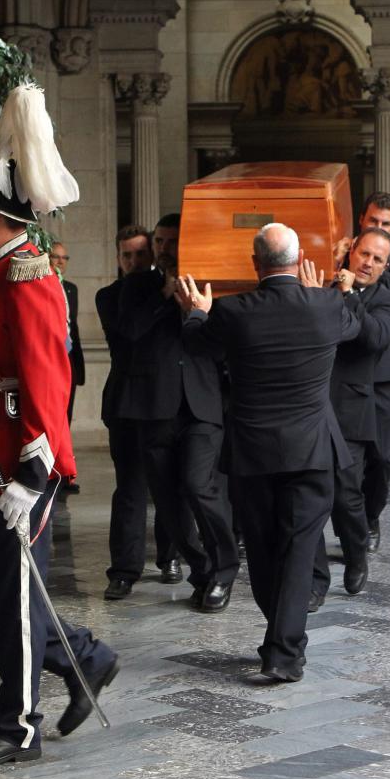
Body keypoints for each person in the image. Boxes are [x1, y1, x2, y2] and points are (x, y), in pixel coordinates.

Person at [0, 83, 118, 768]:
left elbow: (46, 377)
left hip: (15, 463)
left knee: (13, 595)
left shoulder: (26, 278)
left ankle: (17, 724)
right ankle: (83, 655)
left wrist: (34, 469)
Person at [177, 223, 364, 682]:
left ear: (255, 264)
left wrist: (196, 312)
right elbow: (354, 326)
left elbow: (197, 346)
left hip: (253, 454)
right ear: (300, 259)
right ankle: (283, 647)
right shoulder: (325, 305)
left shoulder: (233, 311)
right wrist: (322, 293)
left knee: (261, 549)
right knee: (301, 548)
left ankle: (282, 646)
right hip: (312, 451)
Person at [117, 213, 239, 612]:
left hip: (202, 407)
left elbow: (224, 346)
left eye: (173, 241)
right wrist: (163, 298)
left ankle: (224, 570)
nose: (166, 249)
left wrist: (198, 312)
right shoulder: (137, 287)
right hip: (155, 408)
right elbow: (127, 335)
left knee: (198, 485)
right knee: (168, 505)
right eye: (161, 242)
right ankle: (203, 571)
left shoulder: (211, 286)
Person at [308, 228, 390, 610]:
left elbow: (374, 338)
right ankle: (315, 578)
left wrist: (348, 295)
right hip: (312, 403)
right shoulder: (324, 286)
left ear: (385, 267)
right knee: (311, 496)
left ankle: (356, 555)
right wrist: (333, 287)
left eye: (377, 259)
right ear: (351, 252)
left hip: (351, 406)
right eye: (364, 253)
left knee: (347, 495)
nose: (368, 262)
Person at [97, 225, 177, 599]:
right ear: (118, 258)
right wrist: (162, 296)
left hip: (163, 401)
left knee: (166, 486)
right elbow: (130, 333)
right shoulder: (109, 296)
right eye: (126, 255)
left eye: (140, 254)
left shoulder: (174, 291)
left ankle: (169, 557)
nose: (133, 261)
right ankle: (124, 571)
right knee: (129, 488)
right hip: (126, 402)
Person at [338, 192, 390, 553]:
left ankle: (371, 516)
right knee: (348, 459)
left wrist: (359, 267)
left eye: (386, 225)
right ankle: (353, 527)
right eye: (374, 223)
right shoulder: (345, 253)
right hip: (348, 370)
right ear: (362, 221)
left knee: (384, 456)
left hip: (386, 366)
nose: (380, 228)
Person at [49, 241, 84, 493]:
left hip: (70, 356)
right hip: (51, 359)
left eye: (64, 257)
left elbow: (75, 328)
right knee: (53, 416)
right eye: (55, 257)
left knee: (67, 416)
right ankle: (52, 470)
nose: (60, 262)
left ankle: (65, 470)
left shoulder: (70, 289)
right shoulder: (42, 285)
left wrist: (78, 364)